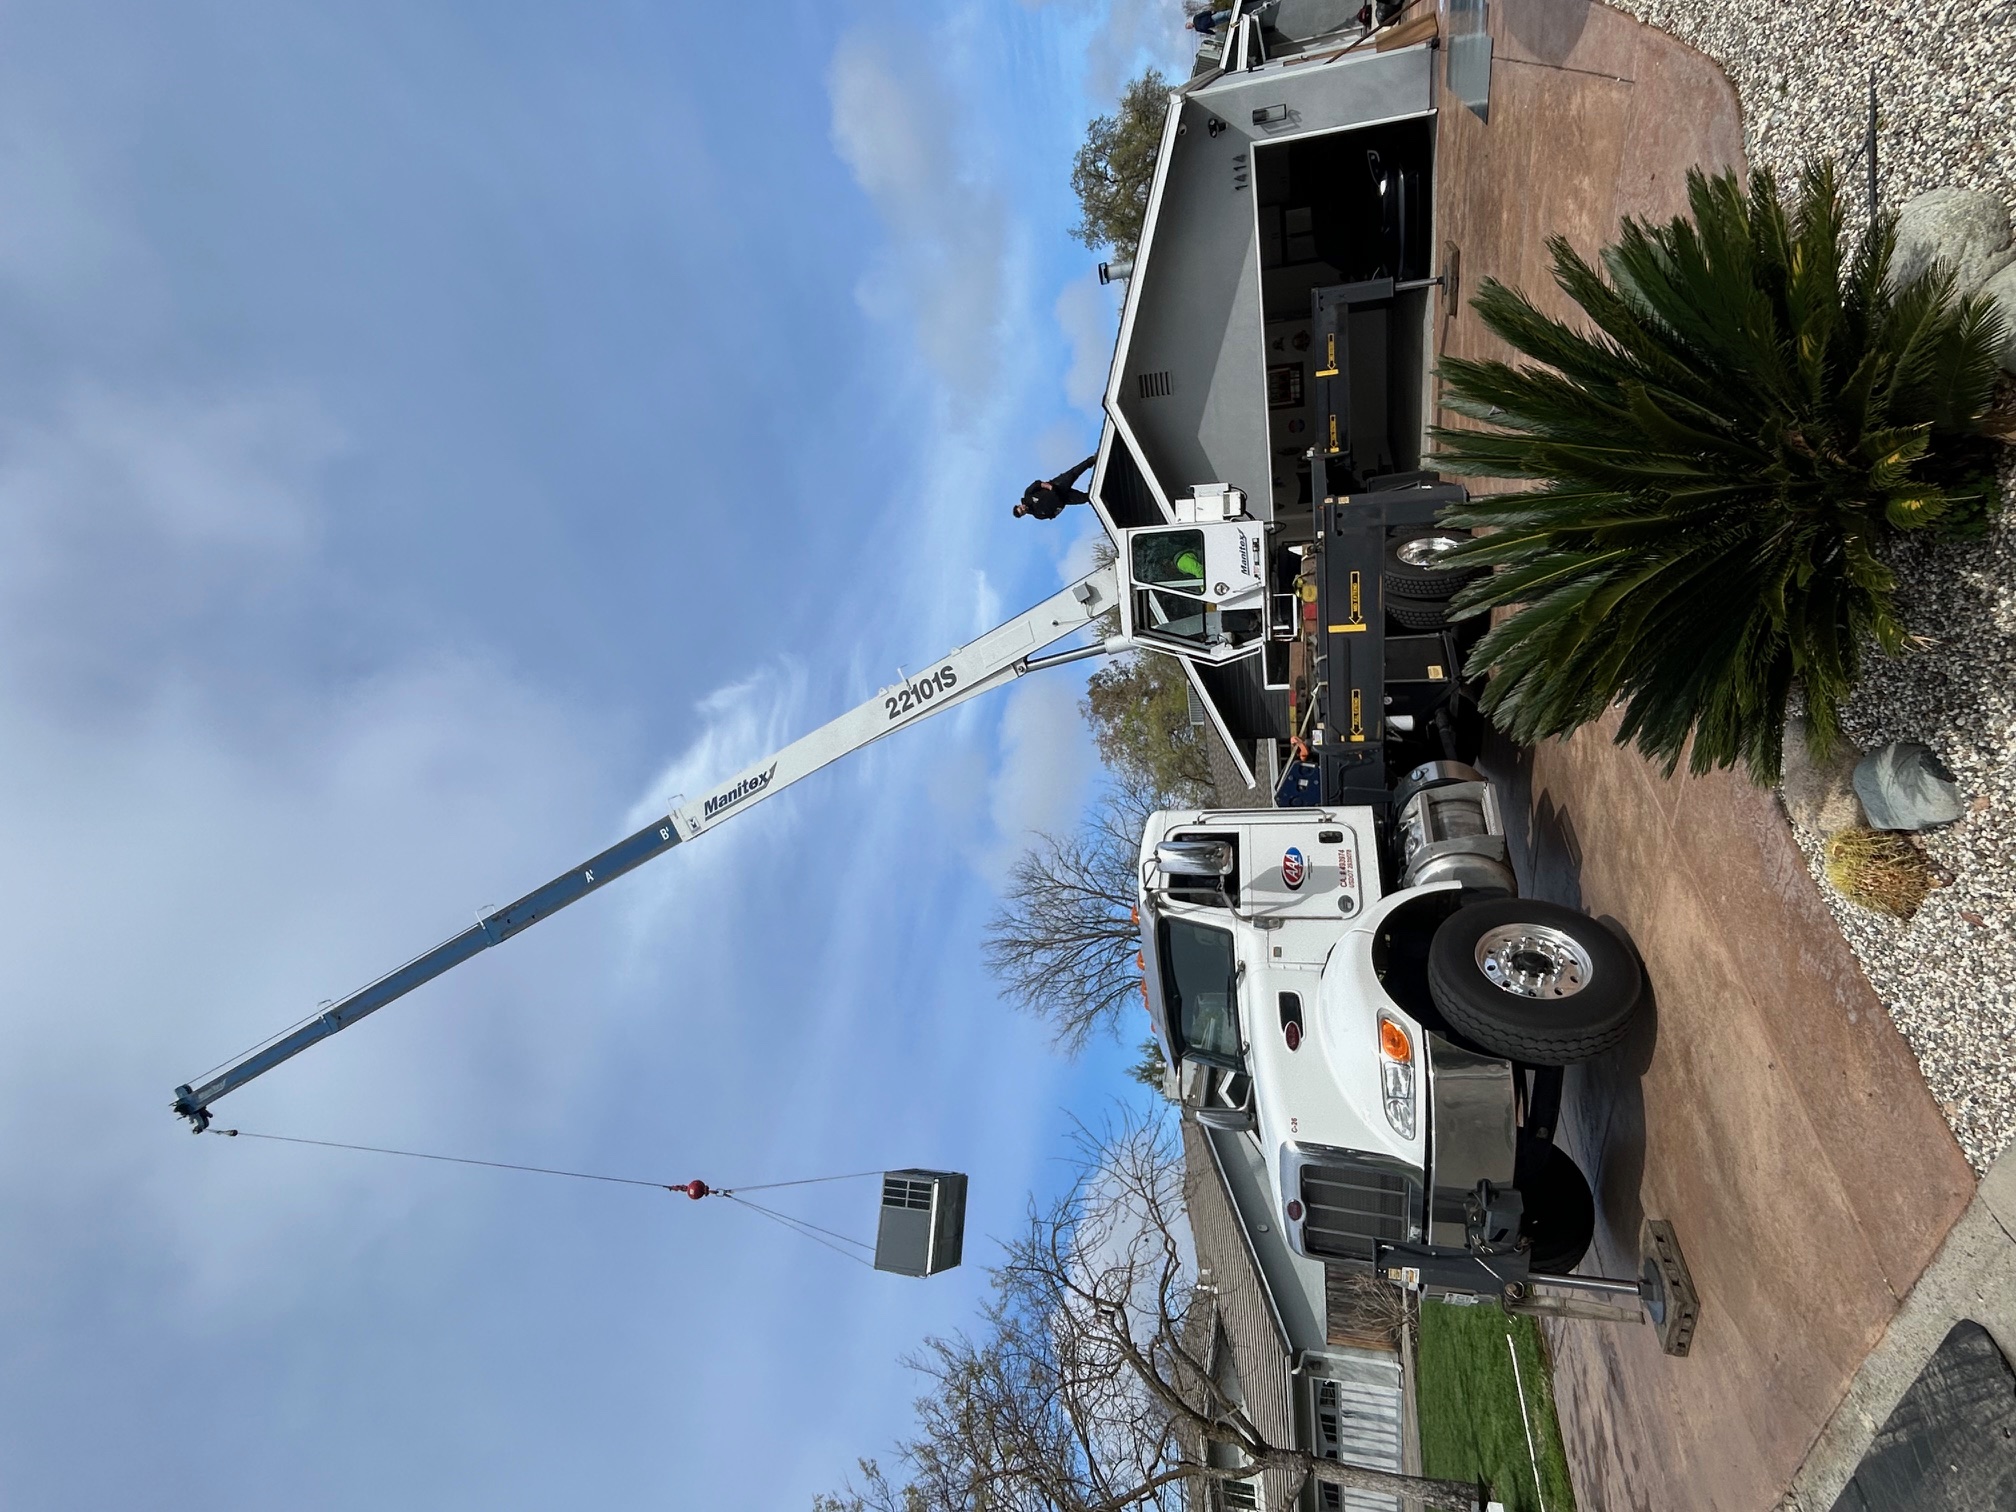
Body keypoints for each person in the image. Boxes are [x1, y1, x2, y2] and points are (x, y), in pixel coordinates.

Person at [1013, 453, 1097, 520]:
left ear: (1019, 505)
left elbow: (1037, 484)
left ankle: (1092, 460)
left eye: (1020, 508)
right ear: (1023, 514)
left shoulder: (1028, 494)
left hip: (1058, 485)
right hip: (1065, 499)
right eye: (1022, 512)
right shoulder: (1038, 514)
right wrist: (1061, 506)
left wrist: (1050, 487)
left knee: (1073, 473)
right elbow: (1053, 515)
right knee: (1085, 498)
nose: (1023, 509)